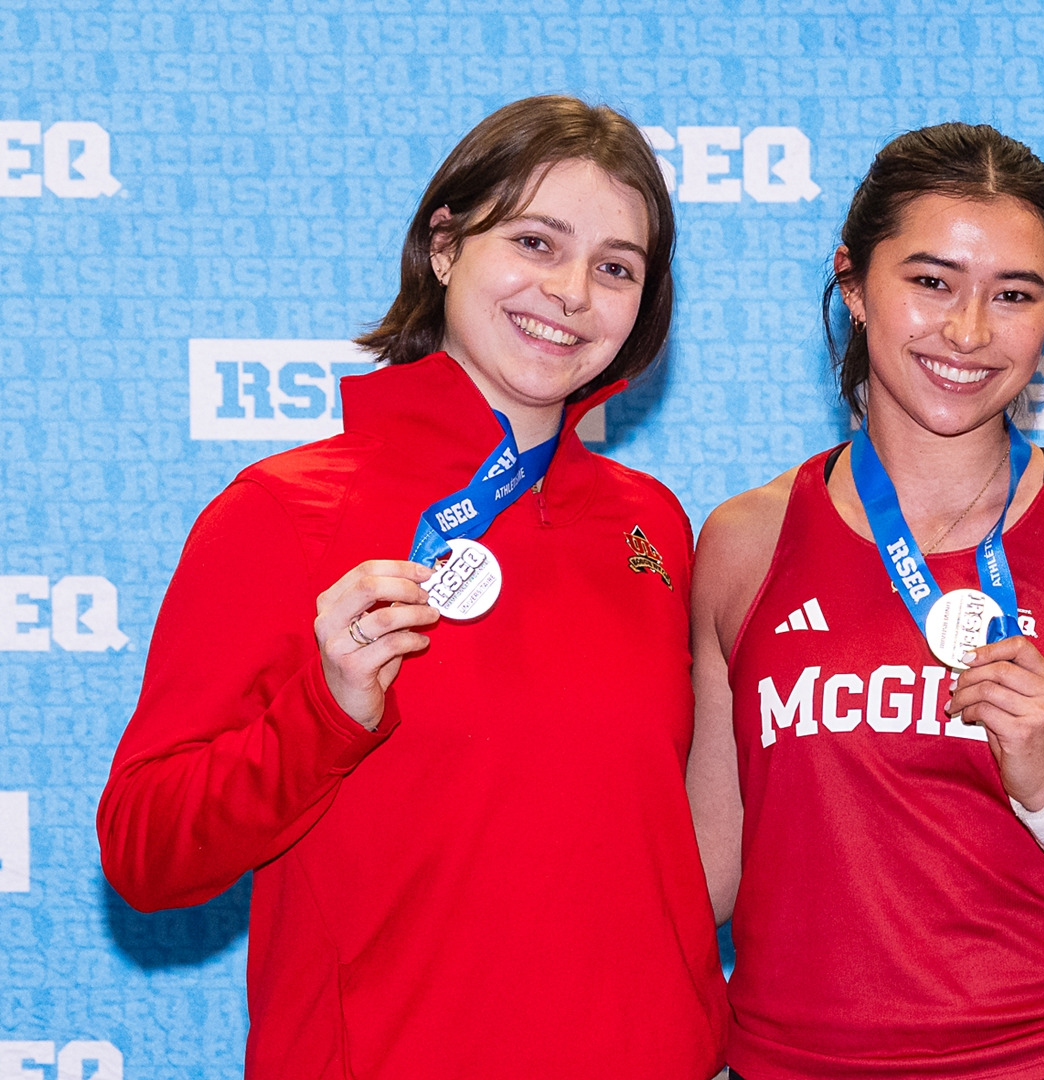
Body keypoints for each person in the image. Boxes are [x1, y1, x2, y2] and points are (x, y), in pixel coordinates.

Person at [97, 96, 727, 1079]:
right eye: (535, 241)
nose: (570, 291)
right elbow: (145, 852)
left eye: (616, 268)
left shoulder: (652, 526)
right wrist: (324, 712)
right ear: (443, 245)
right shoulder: (283, 511)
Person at [685, 122, 1044, 1080]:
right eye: (932, 282)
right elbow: (701, 876)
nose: (970, 332)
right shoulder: (743, 543)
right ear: (854, 284)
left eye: (1014, 294)